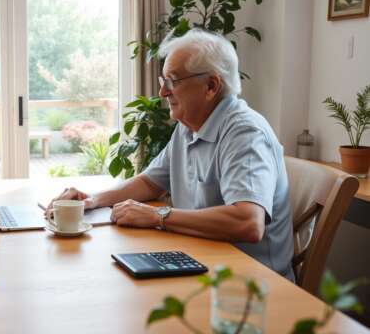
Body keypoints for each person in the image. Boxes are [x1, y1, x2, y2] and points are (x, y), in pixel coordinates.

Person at [48, 29, 294, 280]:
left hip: (253, 285)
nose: (162, 92)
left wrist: (157, 215)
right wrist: (92, 200)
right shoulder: (189, 126)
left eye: (173, 81)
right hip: (203, 262)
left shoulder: (244, 132)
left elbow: (248, 222)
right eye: (162, 81)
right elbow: (149, 183)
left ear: (211, 86)